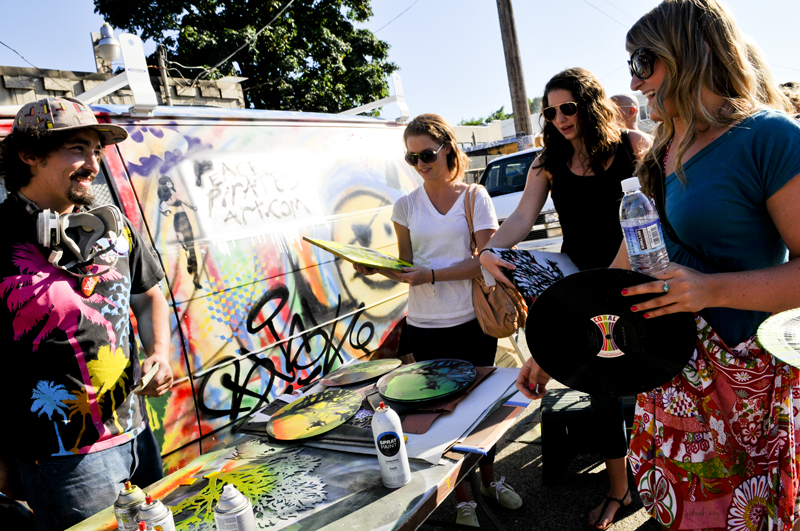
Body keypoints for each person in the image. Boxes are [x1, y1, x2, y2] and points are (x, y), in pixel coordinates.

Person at [520, 1, 800, 529]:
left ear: (691, 52)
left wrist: (710, 290)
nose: (633, 81)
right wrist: (557, 344)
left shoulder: (769, 137)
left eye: (642, 62)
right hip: (670, 375)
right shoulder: (665, 151)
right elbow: (622, 270)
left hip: (745, 386)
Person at [480, 68, 651, 530]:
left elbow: (650, 216)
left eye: (568, 107)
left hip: (631, 277)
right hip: (579, 281)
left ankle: (662, 475)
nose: (559, 118)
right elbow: (521, 218)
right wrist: (490, 251)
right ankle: (619, 488)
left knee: (651, 375)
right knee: (603, 386)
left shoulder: (633, 147)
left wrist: (608, 285)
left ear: (590, 104)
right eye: (551, 111)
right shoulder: (548, 160)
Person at [0, 97, 173, 531]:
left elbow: (148, 296)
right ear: (29, 154)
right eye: (77, 149)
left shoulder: (113, 225)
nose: (93, 165)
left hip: (138, 435)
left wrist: (159, 353)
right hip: (63, 463)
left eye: (97, 151)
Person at [354, 113, 522, 527]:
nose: (420, 164)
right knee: (440, 414)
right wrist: (375, 268)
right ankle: (462, 498)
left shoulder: (475, 196)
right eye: (411, 158)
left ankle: (490, 480)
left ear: (448, 148)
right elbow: (406, 265)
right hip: (424, 325)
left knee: (480, 410)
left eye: (426, 154)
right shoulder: (405, 206)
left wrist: (430, 275)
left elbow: (486, 262)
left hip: (471, 320)